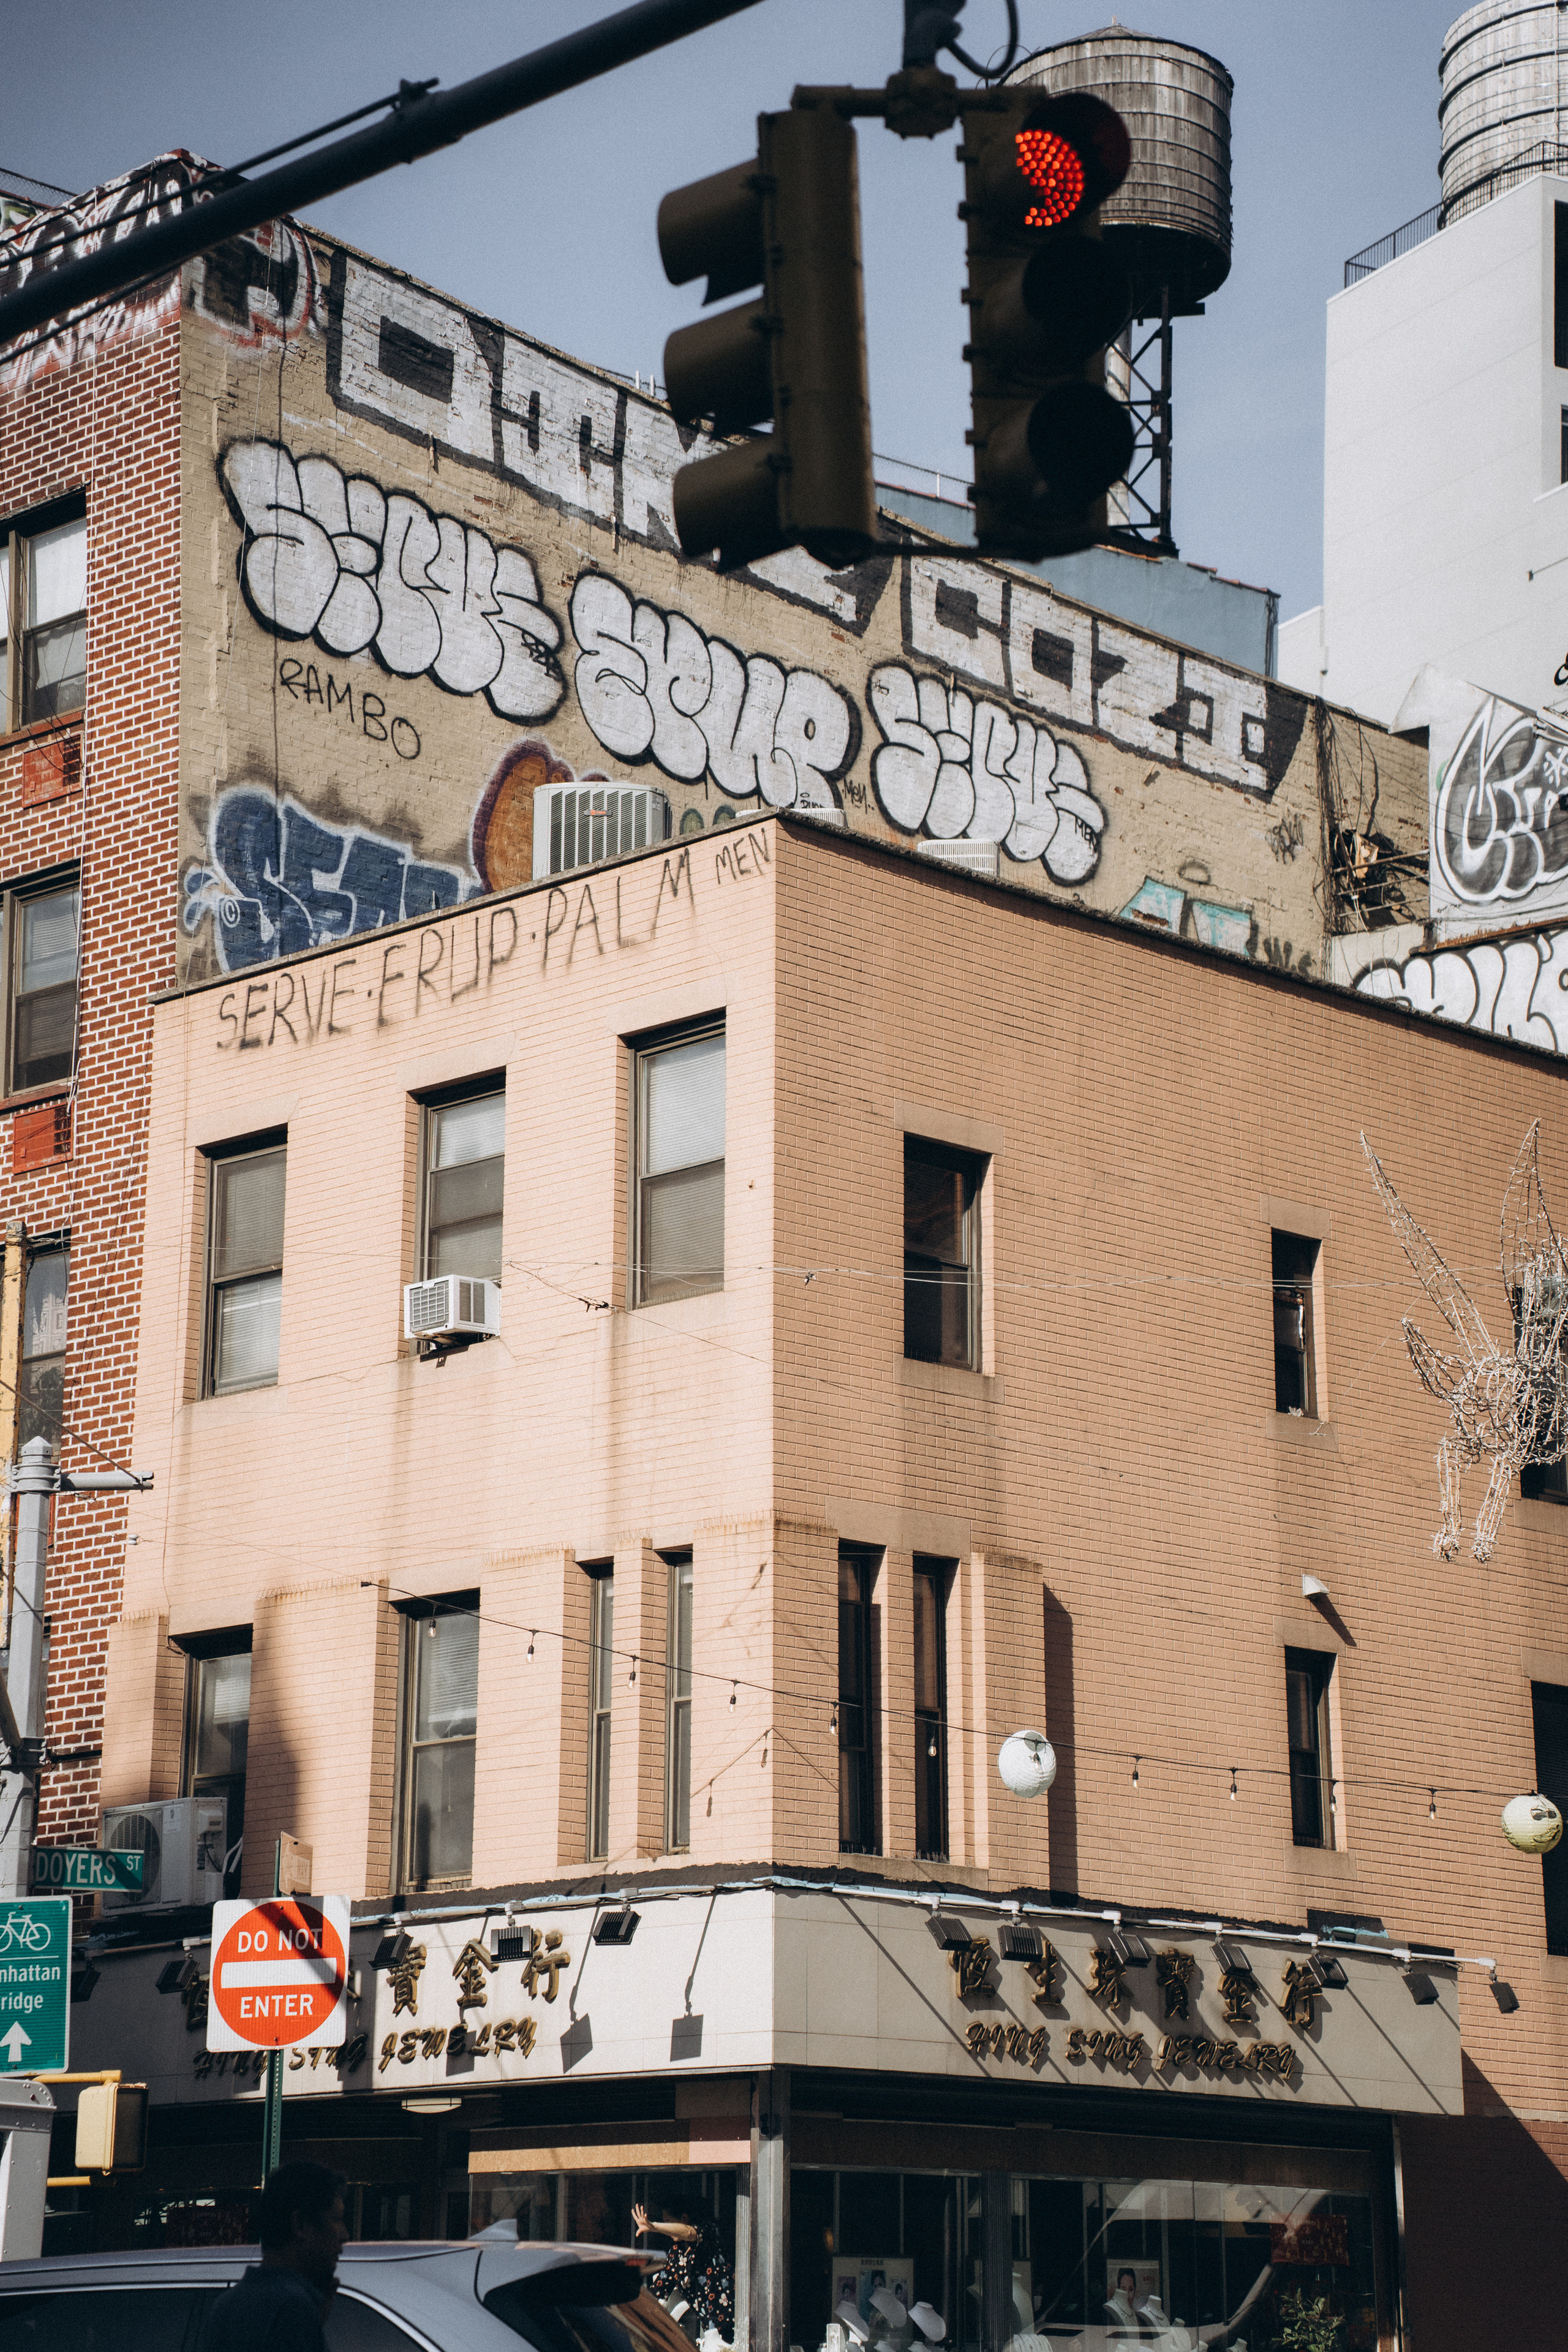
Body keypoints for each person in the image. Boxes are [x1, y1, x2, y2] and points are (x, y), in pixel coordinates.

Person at [197, 2162, 349, 2351]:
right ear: (300, 2225)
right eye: (337, 2220)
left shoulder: (226, 2306)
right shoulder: (291, 2309)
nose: (344, 2236)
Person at [632, 2196, 735, 2341]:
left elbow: (689, 2233)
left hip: (734, 2326)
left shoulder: (710, 2231)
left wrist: (654, 2226)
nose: (666, 2229)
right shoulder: (675, 2254)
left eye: (667, 2222)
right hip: (711, 2333)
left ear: (684, 2218)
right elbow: (658, 2292)